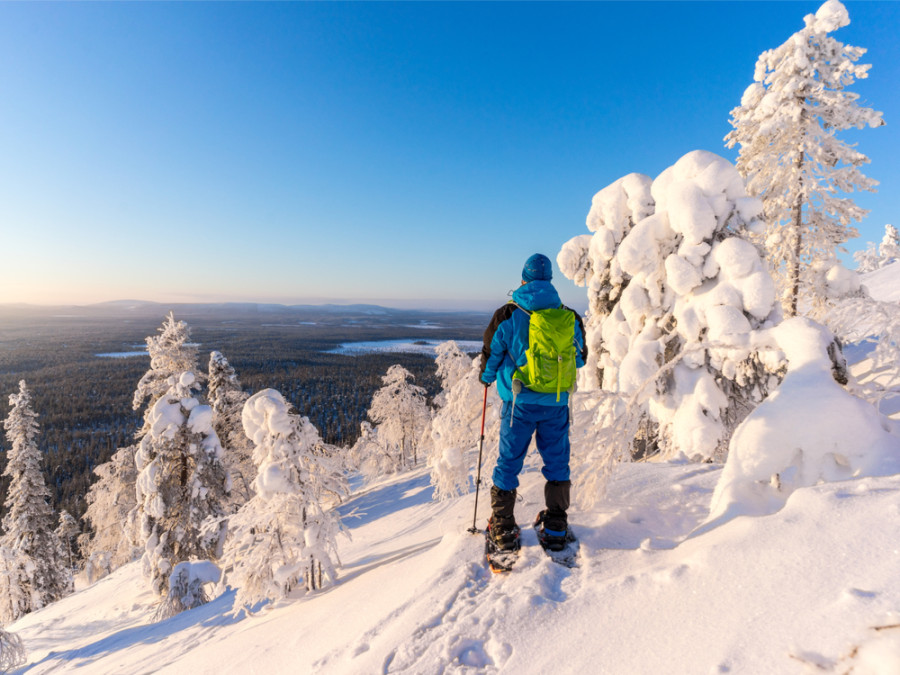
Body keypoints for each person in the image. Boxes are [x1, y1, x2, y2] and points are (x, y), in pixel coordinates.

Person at [479, 253, 587, 552]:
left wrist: (486, 378)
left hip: (519, 404)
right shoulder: (568, 316)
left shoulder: (508, 314)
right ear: (550, 280)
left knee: (509, 460)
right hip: (555, 403)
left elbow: (492, 353)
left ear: (523, 279)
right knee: (557, 461)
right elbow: (580, 359)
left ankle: (502, 526)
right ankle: (555, 525)